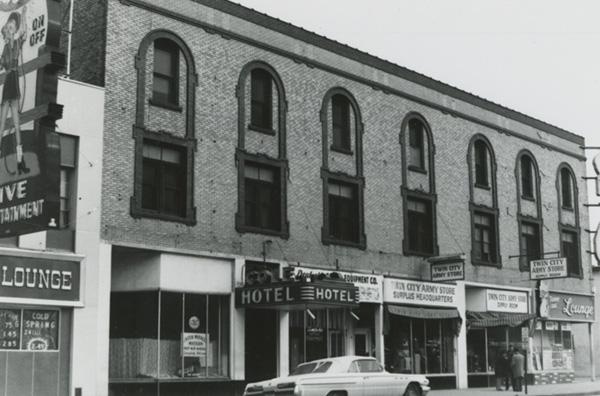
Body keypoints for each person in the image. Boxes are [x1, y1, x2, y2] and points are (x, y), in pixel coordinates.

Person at [0, 5, 28, 174]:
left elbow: (24, 31)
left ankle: (19, 160)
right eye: (9, 22)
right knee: (2, 122)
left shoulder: (17, 42)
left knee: (17, 124)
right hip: (9, 81)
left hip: (14, 81)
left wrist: (23, 15)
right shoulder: (4, 49)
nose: (10, 25)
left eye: (13, 23)